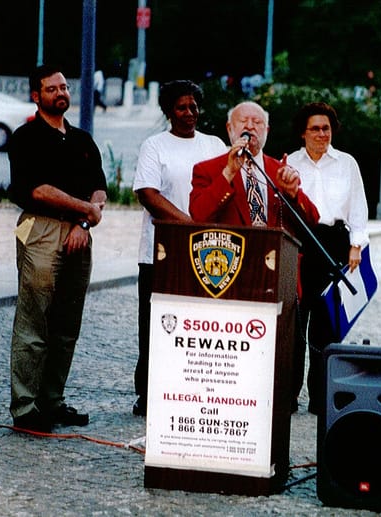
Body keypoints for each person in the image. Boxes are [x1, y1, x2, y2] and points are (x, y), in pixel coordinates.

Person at [7, 64, 107, 432]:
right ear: (37, 96)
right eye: (52, 89)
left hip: (79, 234)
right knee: (35, 319)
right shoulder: (25, 138)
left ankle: (53, 400)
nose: (60, 93)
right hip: (41, 229)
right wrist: (85, 211)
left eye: (64, 87)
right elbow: (37, 190)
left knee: (67, 323)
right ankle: (26, 407)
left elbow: (99, 189)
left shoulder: (82, 140)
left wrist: (84, 222)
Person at [131, 80, 227, 417]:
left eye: (194, 107)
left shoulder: (214, 144)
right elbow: (148, 193)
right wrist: (189, 225)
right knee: (157, 323)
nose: (190, 114)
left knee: (198, 324)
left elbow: (225, 187)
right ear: (169, 111)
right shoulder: (154, 146)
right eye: (182, 107)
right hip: (162, 250)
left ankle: (189, 390)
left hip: (209, 252)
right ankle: (148, 393)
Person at [286, 102, 370, 415]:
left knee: (327, 326)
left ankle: (321, 396)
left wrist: (356, 245)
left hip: (334, 243)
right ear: (302, 133)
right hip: (300, 242)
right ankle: (288, 394)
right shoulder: (290, 163)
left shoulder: (347, 163)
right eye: (315, 128)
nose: (322, 134)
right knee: (294, 323)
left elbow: (359, 208)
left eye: (326, 128)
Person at [189, 101, 319, 231]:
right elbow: (198, 216)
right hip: (231, 249)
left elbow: (312, 221)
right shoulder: (207, 170)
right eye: (243, 121)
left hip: (275, 250)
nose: (250, 126)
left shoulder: (282, 171)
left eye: (257, 122)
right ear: (229, 128)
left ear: (267, 130)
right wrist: (228, 173)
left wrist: (293, 193)